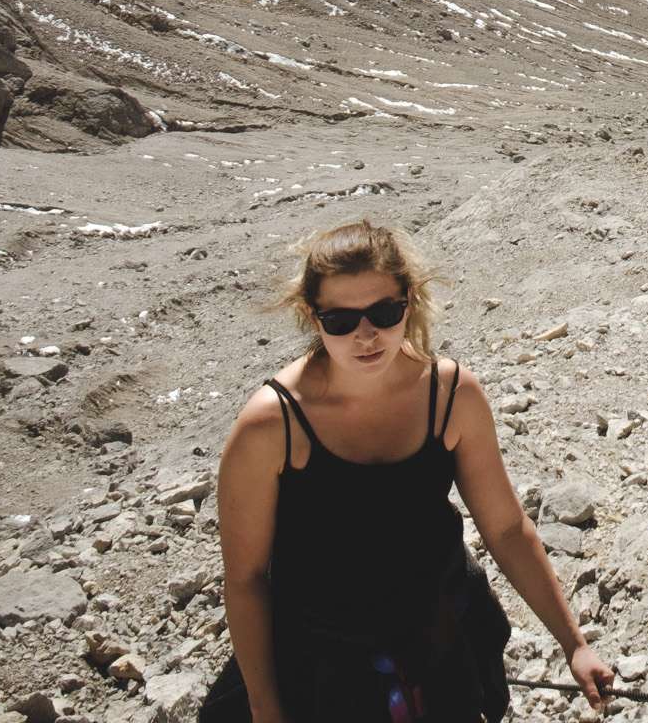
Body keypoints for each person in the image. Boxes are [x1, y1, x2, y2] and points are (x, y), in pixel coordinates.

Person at [203, 220, 613, 722]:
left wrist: (574, 645)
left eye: (383, 312)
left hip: (441, 647)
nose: (366, 334)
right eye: (341, 320)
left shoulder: (452, 395)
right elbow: (245, 579)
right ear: (313, 317)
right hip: (320, 668)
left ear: (409, 302)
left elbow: (505, 529)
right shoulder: (270, 425)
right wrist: (265, 708)